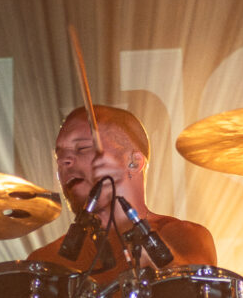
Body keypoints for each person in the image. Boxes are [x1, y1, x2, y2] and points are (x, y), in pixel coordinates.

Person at [28, 105, 217, 281]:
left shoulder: (182, 236)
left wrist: (152, 255)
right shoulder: (45, 261)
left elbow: (193, 293)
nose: (64, 161)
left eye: (83, 148)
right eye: (59, 155)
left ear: (134, 162)